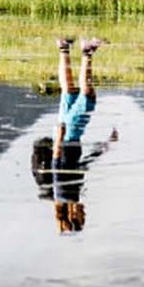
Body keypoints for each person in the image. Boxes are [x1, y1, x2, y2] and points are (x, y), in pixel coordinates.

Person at [31, 37, 114, 231]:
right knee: (69, 90)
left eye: (82, 216)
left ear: (72, 215)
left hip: (70, 136)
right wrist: (103, 147)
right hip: (67, 135)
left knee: (88, 97)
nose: (84, 213)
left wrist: (59, 139)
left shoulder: (68, 196)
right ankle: (63, 48)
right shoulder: (64, 196)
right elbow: (81, 165)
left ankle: (87, 51)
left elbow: (58, 165)